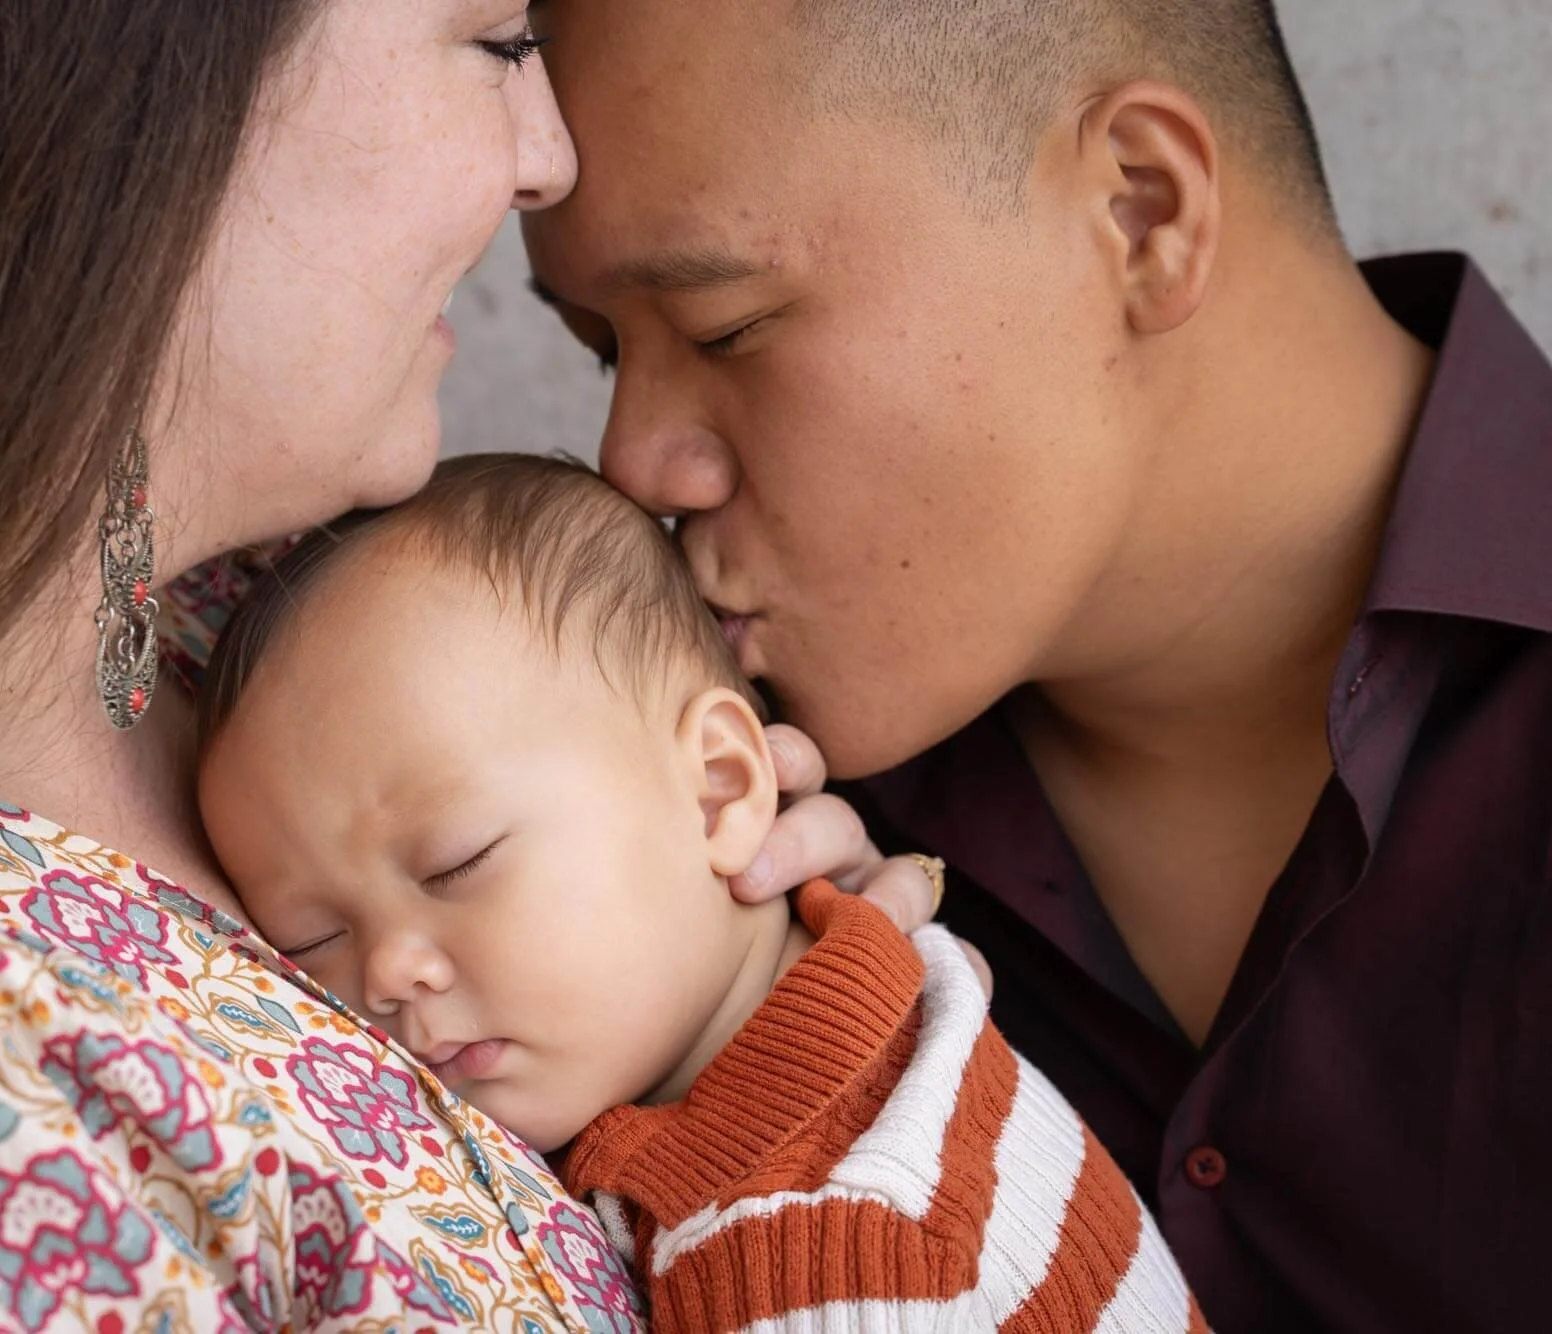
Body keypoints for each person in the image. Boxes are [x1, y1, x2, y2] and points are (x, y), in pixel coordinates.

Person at [0, 3, 942, 1328]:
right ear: (117, 103)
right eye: (495, 40)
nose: (547, 154)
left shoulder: (245, 624)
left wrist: (746, 995)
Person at [520, 0, 1552, 1329]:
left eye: (722, 327)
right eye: (606, 352)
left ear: (1139, 209)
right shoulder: (725, 831)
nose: (636, 464)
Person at [198, 453, 1206, 1333]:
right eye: (308, 936)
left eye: (456, 861)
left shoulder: (837, 1252)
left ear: (720, 787)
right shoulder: (865, 1001)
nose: (383, 970)